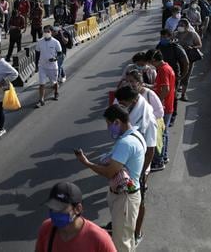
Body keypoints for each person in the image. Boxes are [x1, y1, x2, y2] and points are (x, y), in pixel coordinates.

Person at [75, 104, 146, 252]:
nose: (108, 129)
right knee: (125, 236)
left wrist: (87, 163)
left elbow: (109, 172)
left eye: (109, 124)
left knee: (122, 243)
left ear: (117, 122)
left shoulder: (126, 143)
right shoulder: (136, 135)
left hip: (124, 199)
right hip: (126, 195)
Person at [114, 86, 157, 244]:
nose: (121, 106)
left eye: (123, 103)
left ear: (133, 101)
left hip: (139, 169)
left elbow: (151, 149)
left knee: (139, 201)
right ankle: (122, 224)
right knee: (124, 199)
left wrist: (141, 174)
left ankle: (137, 232)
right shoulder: (131, 113)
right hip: (126, 166)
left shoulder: (148, 119)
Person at [35, 182, 117, 252]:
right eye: (52, 208)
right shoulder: (46, 228)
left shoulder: (99, 238)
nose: (54, 213)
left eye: (60, 208)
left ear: (78, 209)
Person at [150, 50, 176, 171]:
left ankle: (159, 161)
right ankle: (164, 157)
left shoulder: (162, 70)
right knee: (164, 133)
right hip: (168, 106)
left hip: (164, 108)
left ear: (154, 60)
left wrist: (158, 103)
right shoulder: (167, 67)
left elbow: (165, 89)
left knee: (159, 135)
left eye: (151, 62)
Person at [35, 26, 62, 108]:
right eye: (44, 31)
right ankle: (41, 100)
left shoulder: (56, 42)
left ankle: (56, 92)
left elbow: (60, 53)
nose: (46, 33)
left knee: (54, 82)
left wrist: (55, 58)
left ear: (51, 32)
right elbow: (37, 54)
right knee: (41, 84)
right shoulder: (39, 42)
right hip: (42, 66)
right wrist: (36, 65)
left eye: (47, 31)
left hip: (53, 67)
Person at [175, 19, 202, 102]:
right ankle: (175, 92)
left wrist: (192, 47)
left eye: (182, 25)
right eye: (179, 25)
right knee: (177, 74)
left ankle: (183, 94)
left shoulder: (193, 34)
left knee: (186, 76)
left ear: (187, 26)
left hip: (189, 58)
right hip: (177, 58)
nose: (180, 27)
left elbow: (199, 45)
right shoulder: (176, 34)